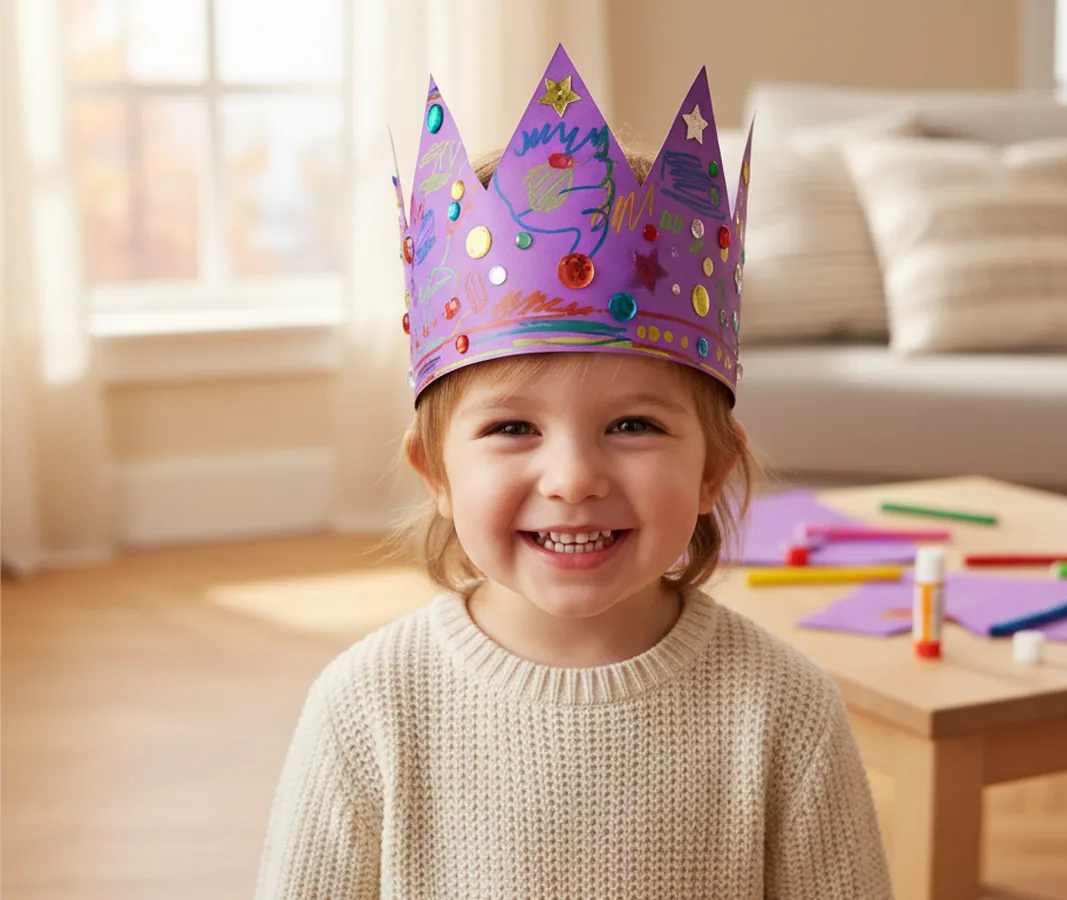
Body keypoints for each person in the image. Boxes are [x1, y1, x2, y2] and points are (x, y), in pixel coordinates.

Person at [255, 46, 892, 899]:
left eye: (633, 424)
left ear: (714, 471)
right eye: (512, 426)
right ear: (435, 473)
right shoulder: (369, 706)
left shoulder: (786, 710)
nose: (572, 477)